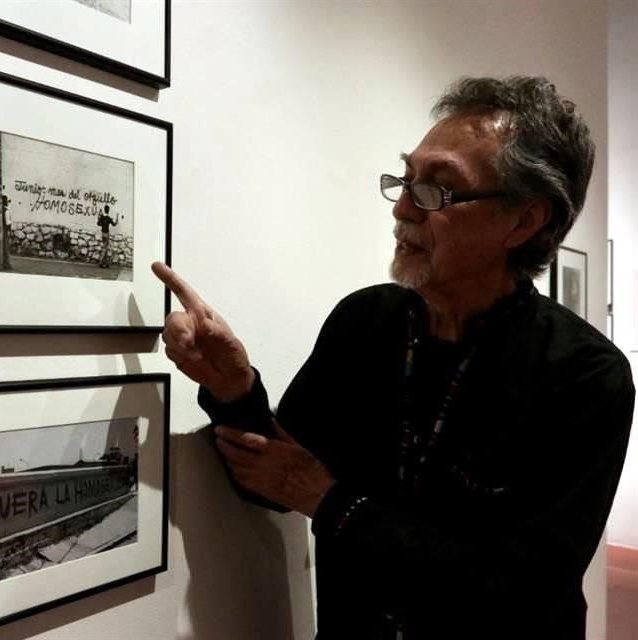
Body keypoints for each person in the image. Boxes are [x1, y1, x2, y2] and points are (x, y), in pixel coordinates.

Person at [153, 76, 634, 640]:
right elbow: (276, 482)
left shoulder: (584, 374)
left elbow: (520, 586)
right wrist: (234, 390)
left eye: (437, 190)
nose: (403, 208)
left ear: (523, 221)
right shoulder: (366, 322)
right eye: (406, 180)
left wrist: (333, 504)